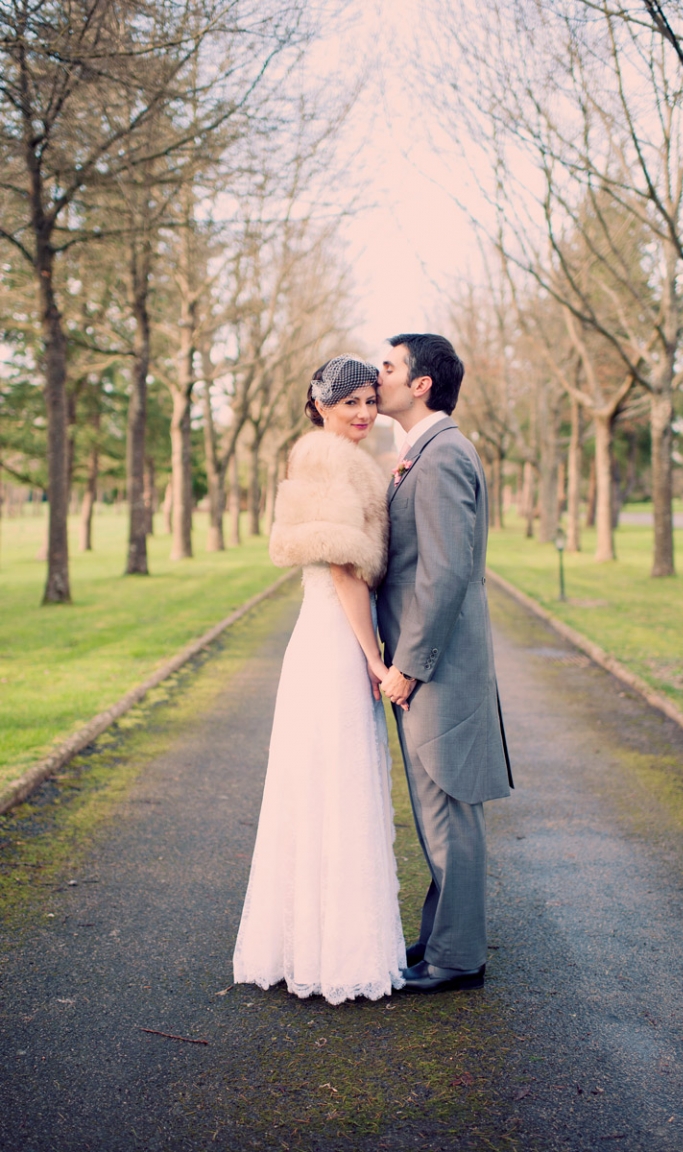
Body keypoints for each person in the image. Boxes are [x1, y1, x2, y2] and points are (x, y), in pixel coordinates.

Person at [233, 355, 406, 1005]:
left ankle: (314, 944)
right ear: (321, 406)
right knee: (335, 785)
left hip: (323, 639)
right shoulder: (330, 460)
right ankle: (332, 954)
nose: (364, 412)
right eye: (350, 403)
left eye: (369, 400)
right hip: (334, 639)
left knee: (321, 788)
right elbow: (344, 568)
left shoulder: (338, 458)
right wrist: (374, 657)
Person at [376, 333, 513, 995]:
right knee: (437, 813)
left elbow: (447, 571)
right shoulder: (421, 452)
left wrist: (410, 664)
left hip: (438, 669)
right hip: (428, 667)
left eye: (390, 366)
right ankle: (440, 939)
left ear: (422, 382)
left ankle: (458, 960)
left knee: (448, 810)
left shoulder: (442, 454)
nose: (380, 377)